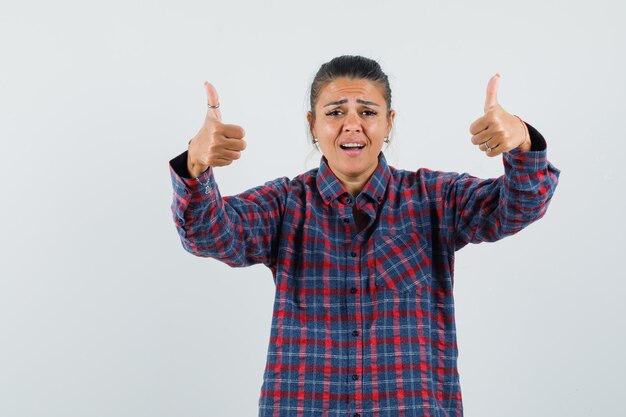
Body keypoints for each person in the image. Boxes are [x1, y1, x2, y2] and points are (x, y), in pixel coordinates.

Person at [168, 55, 560, 417]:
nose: (352, 124)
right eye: (335, 111)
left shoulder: (435, 198)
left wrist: (523, 141)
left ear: (389, 122)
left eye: (367, 112)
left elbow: (520, 205)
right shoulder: (285, 204)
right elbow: (209, 235)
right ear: (313, 124)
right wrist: (196, 164)